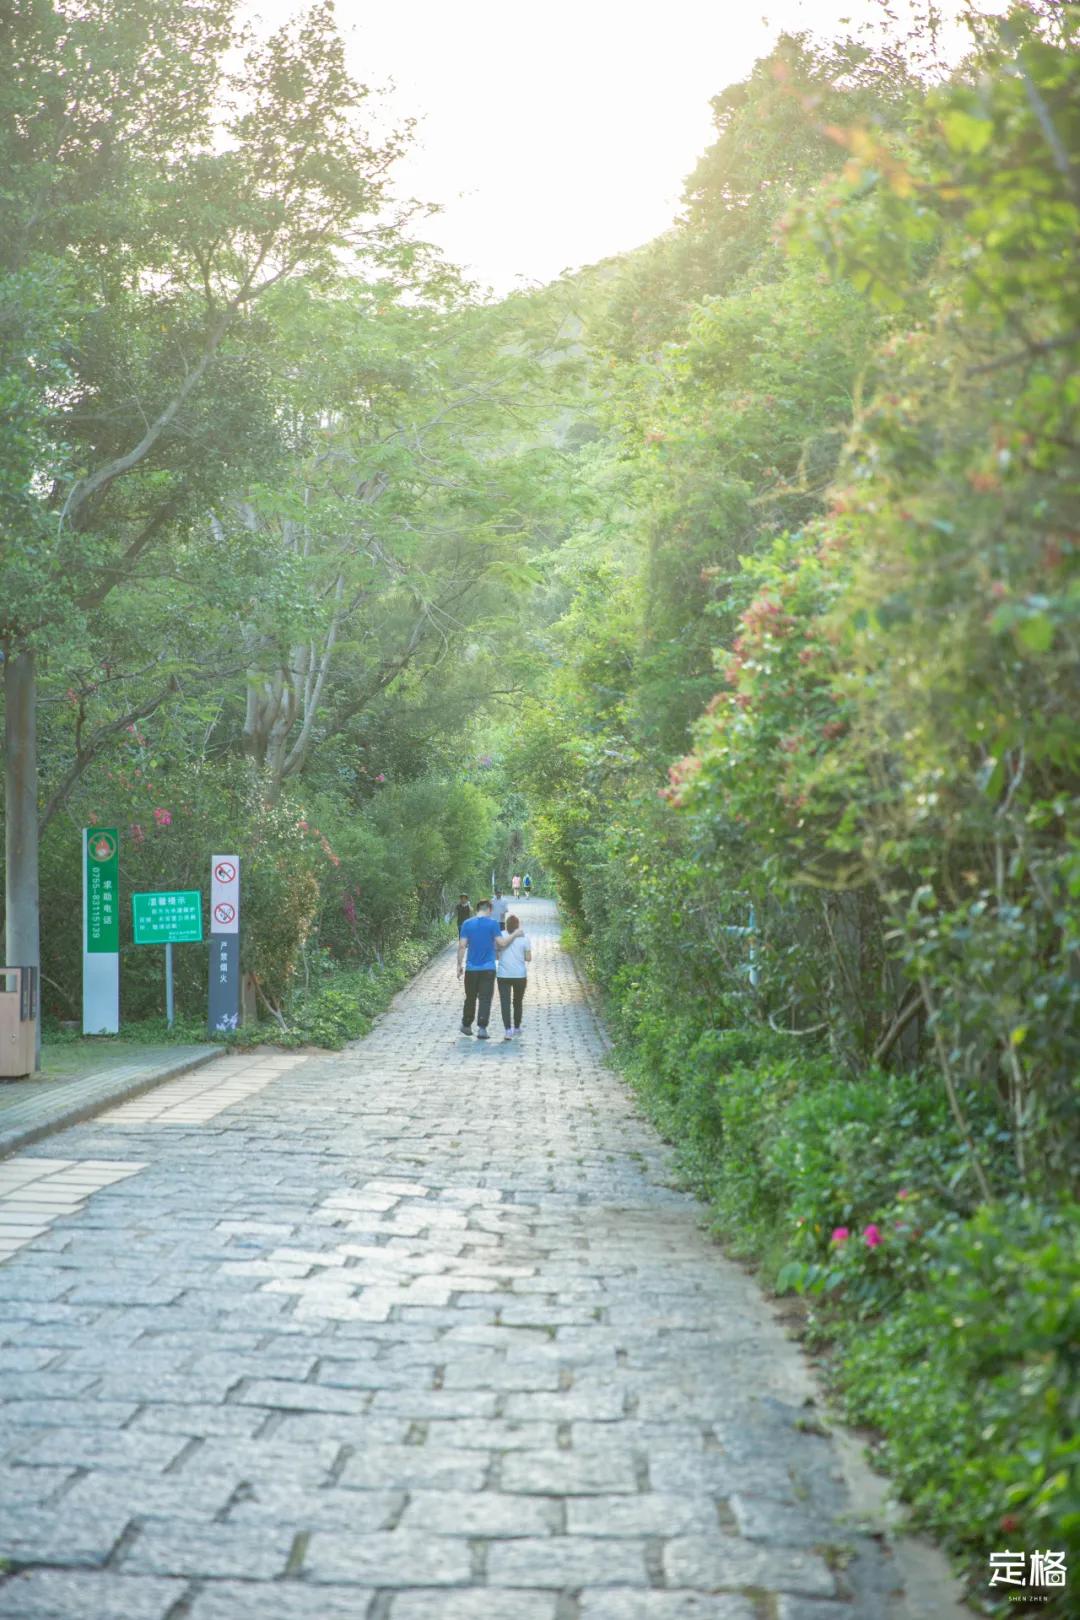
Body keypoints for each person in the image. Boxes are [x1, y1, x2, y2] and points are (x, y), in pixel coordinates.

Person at [456, 899, 501, 1039]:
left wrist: (459, 965)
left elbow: (462, 946)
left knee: (470, 997)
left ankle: (466, 1025)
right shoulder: (493, 924)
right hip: (488, 968)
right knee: (485, 998)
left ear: (477, 909)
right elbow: (499, 943)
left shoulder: (467, 923)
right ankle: (482, 1028)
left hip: (471, 968)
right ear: (489, 909)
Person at [496, 912, 531, 1040]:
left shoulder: (500, 936)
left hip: (503, 975)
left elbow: (496, 955)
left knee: (505, 1002)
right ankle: (516, 1027)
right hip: (520, 975)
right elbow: (528, 958)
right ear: (518, 925)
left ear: (506, 925)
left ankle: (507, 1030)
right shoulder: (524, 938)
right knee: (518, 1002)